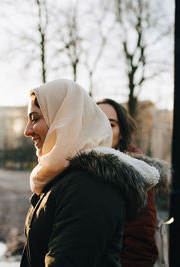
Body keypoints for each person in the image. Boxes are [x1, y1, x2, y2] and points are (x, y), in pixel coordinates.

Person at [20, 79, 162, 267]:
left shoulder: (90, 185)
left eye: (35, 118)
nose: (27, 131)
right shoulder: (63, 175)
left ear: (66, 120)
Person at [97, 98, 166, 267]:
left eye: (111, 125)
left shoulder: (136, 174)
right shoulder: (71, 167)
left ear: (122, 133)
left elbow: (141, 248)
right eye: (97, 122)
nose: (104, 130)